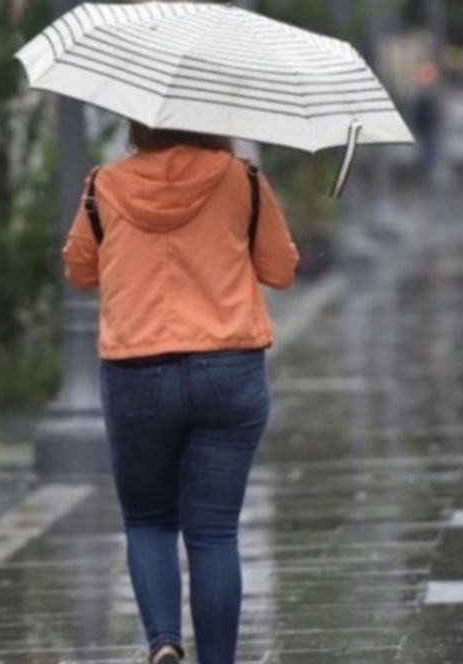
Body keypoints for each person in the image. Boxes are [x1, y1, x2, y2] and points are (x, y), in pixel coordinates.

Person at [62, 122, 300, 664]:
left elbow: (79, 270)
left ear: (138, 125)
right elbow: (280, 270)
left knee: (148, 520)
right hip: (229, 369)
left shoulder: (104, 186)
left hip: (136, 370)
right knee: (214, 530)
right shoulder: (241, 180)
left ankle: (164, 643)